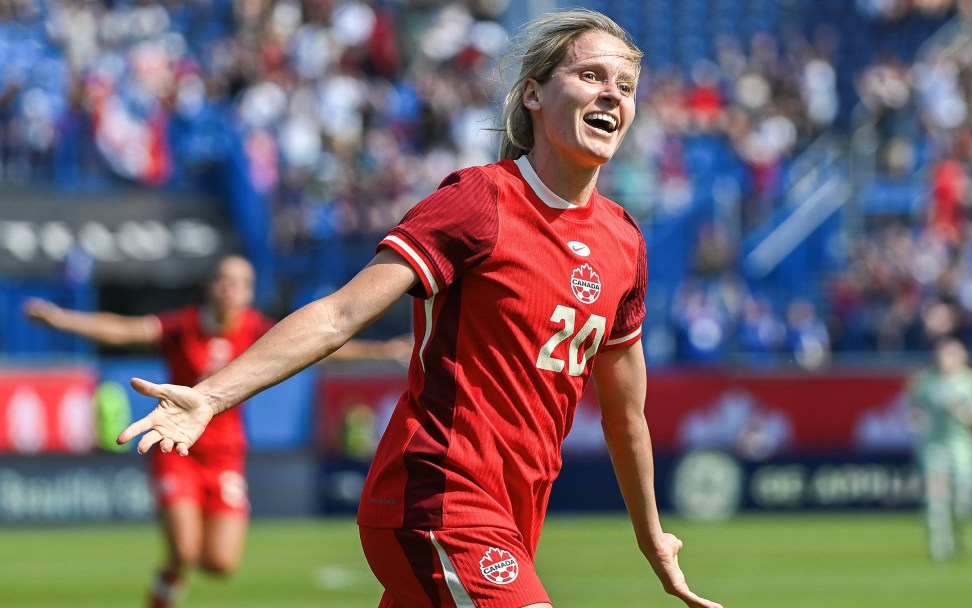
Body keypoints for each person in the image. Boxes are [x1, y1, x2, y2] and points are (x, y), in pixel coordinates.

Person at [117, 9, 722, 608]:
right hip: (438, 496)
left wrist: (651, 539)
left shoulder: (624, 242)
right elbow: (339, 315)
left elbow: (626, 416)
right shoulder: (482, 200)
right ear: (532, 93)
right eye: (591, 76)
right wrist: (212, 396)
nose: (611, 96)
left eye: (625, 86)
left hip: (513, 515)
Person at [24, 255, 407, 608]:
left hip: (225, 455)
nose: (230, 288)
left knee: (221, 563)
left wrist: (380, 350)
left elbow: (324, 344)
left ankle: (177, 575)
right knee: (184, 552)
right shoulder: (183, 326)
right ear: (212, 287)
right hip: (177, 449)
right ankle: (168, 579)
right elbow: (125, 330)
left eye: (240, 282)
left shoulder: (256, 329)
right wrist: (63, 320)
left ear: (249, 292)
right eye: (224, 280)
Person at [906, 337, 972, 561]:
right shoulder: (925, 381)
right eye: (944, 354)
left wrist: (967, 413)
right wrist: (917, 422)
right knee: (936, 499)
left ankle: (960, 532)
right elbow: (913, 412)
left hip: (963, 447)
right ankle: (939, 545)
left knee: (963, 502)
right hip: (934, 446)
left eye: (953, 354)